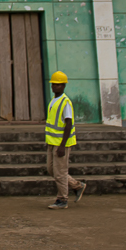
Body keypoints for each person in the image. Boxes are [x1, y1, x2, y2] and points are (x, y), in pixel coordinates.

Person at [45, 71, 87, 209]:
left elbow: (68, 124)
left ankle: (62, 200)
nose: (55, 87)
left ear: (63, 86)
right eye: (53, 84)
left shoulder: (65, 102)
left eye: (58, 85)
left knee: (60, 173)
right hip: (52, 142)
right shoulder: (53, 100)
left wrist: (62, 145)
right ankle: (77, 185)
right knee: (52, 170)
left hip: (61, 143)